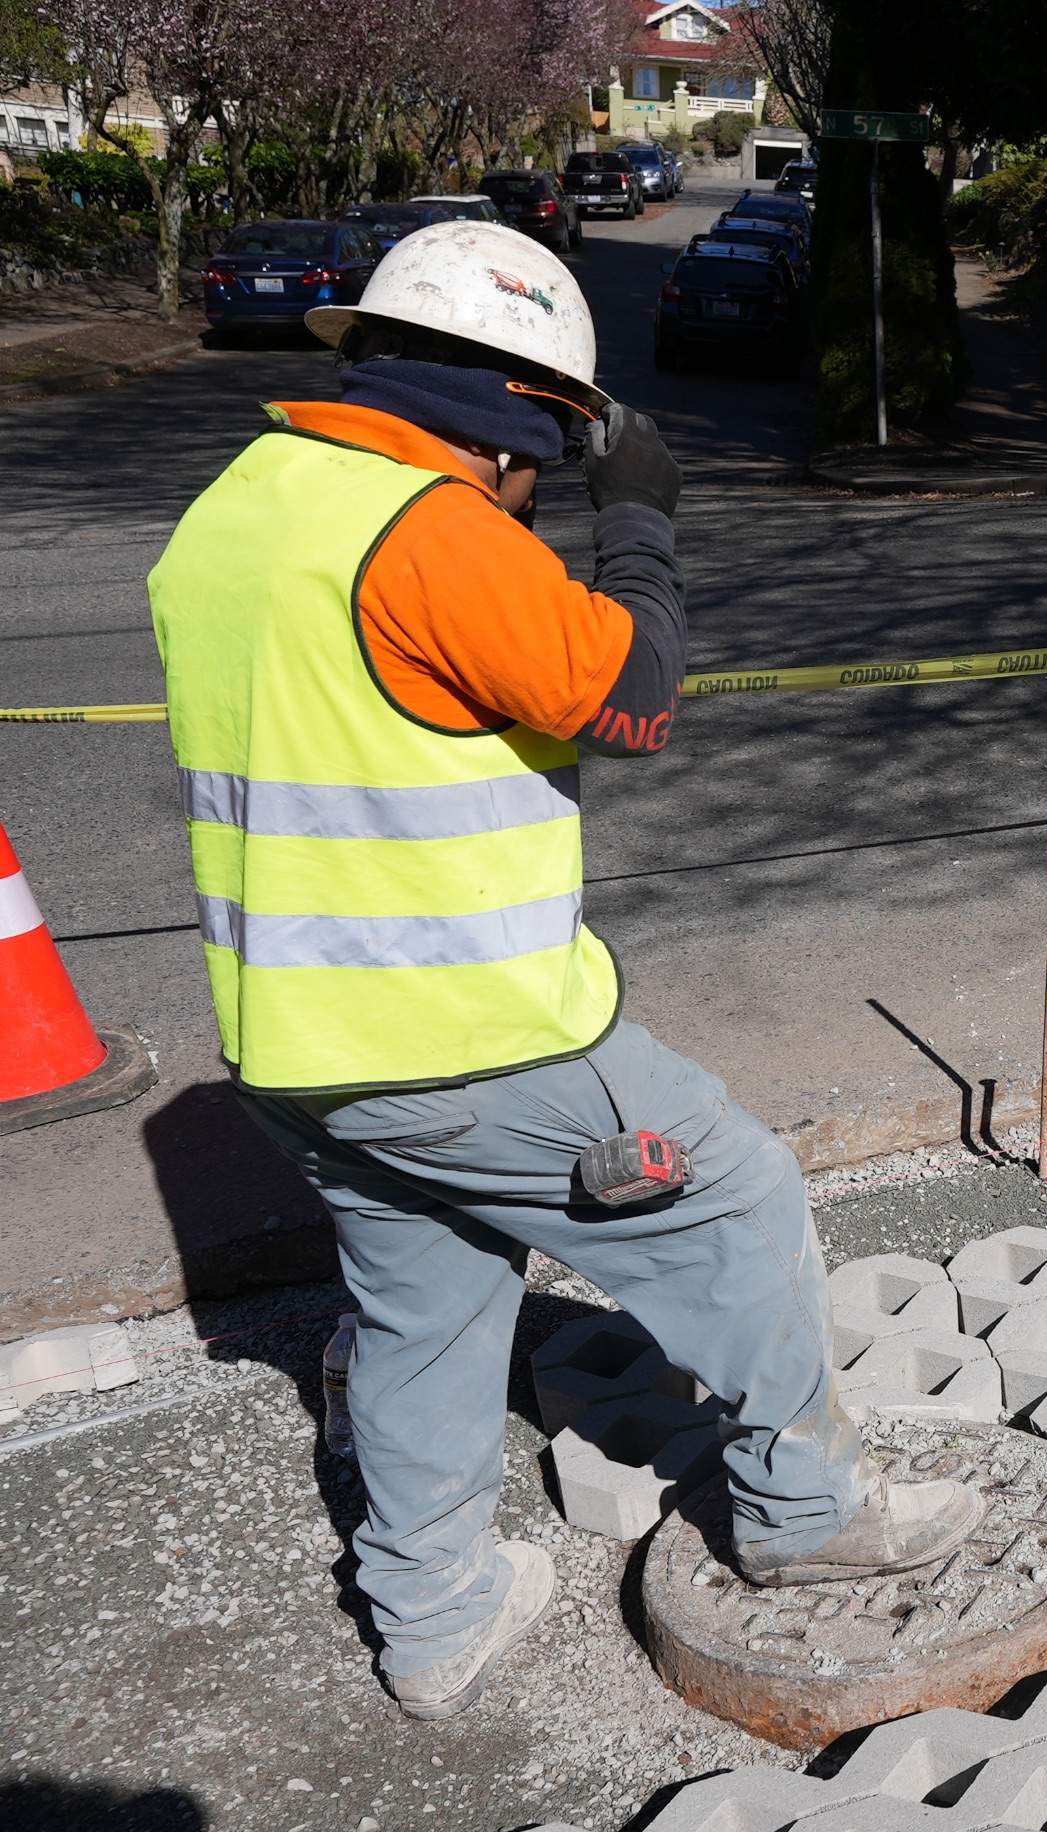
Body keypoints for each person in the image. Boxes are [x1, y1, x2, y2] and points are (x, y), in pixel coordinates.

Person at [146, 221, 981, 1722]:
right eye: (558, 438)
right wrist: (641, 518)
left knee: (432, 1304)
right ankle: (805, 1517)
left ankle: (435, 1617)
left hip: (293, 1046)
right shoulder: (427, 529)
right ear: (518, 407)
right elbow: (636, 695)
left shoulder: (237, 507)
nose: (549, 472)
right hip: (474, 1040)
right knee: (738, 1199)